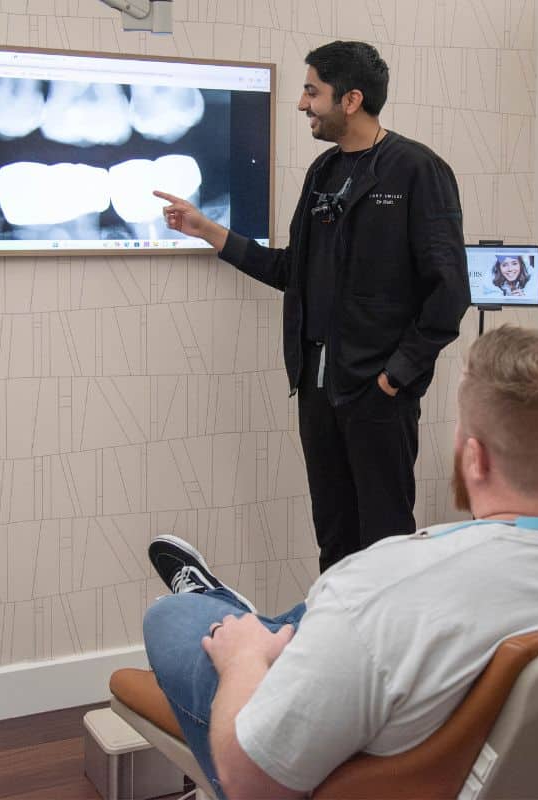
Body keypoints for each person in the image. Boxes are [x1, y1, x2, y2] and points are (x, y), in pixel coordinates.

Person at [141, 324, 538, 800]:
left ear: (475, 456)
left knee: (174, 620)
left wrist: (243, 661)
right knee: (318, 624)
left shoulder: (381, 586)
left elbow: (251, 786)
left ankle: (230, 615)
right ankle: (279, 632)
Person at [154, 41, 469, 572]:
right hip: (318, 390)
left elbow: (450, 291)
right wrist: (206, 230)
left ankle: (386, 651)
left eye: (310, 91)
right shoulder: (323, 173)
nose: (302, 104)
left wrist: (397, 375)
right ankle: (335, 646)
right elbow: (290, 272)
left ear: (350, 99)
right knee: (334, 536)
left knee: (386, 541)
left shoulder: (416, 170)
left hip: (377, 392)